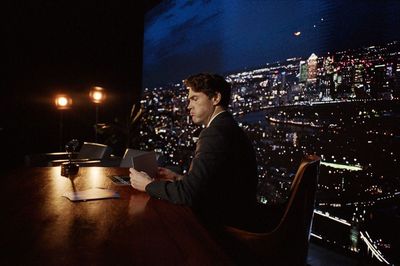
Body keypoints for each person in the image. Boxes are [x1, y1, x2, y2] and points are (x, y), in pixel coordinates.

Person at [130, 73, 258, 229]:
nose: (188, 106)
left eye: (195, 99)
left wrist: (148, 185)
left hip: (223, 224)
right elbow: (214, 185)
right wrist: (178, 178)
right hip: (239, 216)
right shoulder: (228, 126)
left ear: (215, 98)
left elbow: (189, 195)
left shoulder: (214, 133)